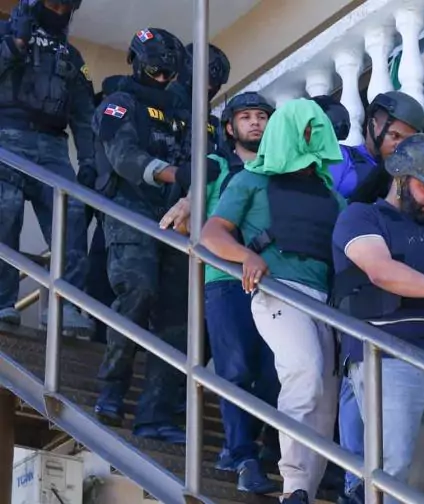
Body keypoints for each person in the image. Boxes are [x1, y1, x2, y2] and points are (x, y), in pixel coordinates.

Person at [200, 98, 344, 504]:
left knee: (325, 403)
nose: (314, 136)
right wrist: (245, 256)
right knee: (304, 373)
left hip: (326, 303)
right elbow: (211, 234)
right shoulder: (250, 179)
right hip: (278, 292)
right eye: (306, 129)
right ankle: (293, 480)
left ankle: (302, 493)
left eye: (317, 129)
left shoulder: (331, 195)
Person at [331, 134, 424, 504]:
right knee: (392, 461)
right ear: (400, 179)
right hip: (385, 351)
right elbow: (382, 272)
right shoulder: (362, 215)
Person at [161, 91, 280, 493]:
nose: (255, 123)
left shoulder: (278, 167)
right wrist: (187, 205)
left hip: (272, 281)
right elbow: (191, 208)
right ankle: (242, 454)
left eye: (262, 116)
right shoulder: (215, 164)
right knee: (236, 369)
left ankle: (258, 447)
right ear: (229, 127)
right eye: (246, 117)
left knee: (273, 374)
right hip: (224, 279)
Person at [91, 27, 192, 444]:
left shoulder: (183, 113)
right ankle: (112, 389)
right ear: (135, 62)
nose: (163, 79)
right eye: (155, 71)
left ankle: (155, 414)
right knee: (139, 292)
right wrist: (175, 174)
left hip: (176, 217)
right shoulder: (119, 104)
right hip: (129, 209)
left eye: (170, 73)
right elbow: (123, 157)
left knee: (177, 317)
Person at [0, 0, 94, 336]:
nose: (60, 12)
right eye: (54, 3)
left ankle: (64, 306)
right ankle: (2, 302)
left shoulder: (72, 56)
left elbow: (84, 115)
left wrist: (89, 161)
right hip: (7, 136)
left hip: (54, 146)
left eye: (66, 6)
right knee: (6, 213)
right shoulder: (6, 32)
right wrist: (15, 43)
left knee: (72, 215)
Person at [329, 91, 424, 204]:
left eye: (407, 141)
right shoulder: (342, 157)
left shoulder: (405, 180)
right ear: (373, 124)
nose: (400, 146)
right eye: (395, 136)